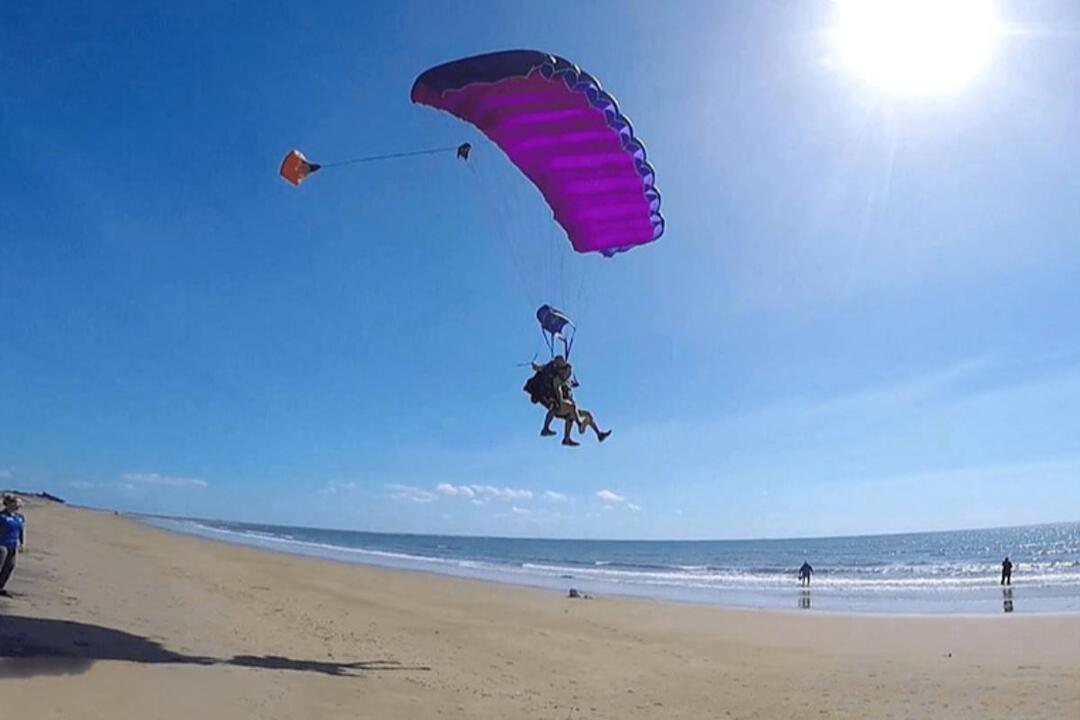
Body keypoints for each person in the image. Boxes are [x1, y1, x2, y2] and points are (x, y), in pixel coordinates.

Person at [525, 356, 611, 447]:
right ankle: (579, 424)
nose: (568, 374)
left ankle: (597, 434)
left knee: (586, 414)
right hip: (559, 406)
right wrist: (561, 402)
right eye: (567, 372)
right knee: (571, 407)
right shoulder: (555, 377)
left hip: (566, 408)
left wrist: (572, 385)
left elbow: (567, 386)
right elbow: (557, 389)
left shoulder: (566, 381)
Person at [0, 495, 26, 596]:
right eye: (16, 503)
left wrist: (22, 543)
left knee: (10, 566)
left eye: (19, 503)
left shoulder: (19, 517)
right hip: (2, 544)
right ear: (9, 504)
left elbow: (21, 530)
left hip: (13, 545)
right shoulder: (2, 516)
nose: (19, 505)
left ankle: (1, 587)